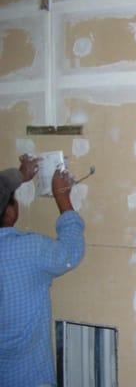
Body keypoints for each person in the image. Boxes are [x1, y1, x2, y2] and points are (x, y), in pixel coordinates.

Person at [0, 155, 86, 387]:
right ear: (10, 212)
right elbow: (71, 252)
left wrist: (19, 175)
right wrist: (62, 199)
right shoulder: (28, 249)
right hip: (28, 378)